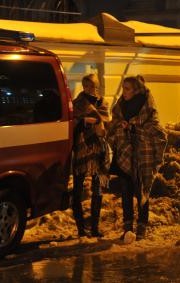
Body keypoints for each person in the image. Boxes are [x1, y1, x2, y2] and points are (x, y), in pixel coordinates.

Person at [107, 75, 167, 241]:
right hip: (125, 153)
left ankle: (142, 227)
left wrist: (134, 125)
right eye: (123, 88)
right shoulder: (120, 106)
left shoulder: (147, 106)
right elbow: (114, 124)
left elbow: (155, 128)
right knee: (125, 191)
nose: (123, 92)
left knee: (142, 191)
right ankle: (127, 229)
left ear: (136, 90)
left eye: (127, 89)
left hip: (142, 155)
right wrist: (121, 125)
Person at [72, 74, 111, 237]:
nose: (89, 88)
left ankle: (95, 227)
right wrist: (83, 121)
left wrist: (93, 120)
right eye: (86, 85)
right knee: (77, 189)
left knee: (98, 189)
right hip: (81, 147)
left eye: (92, 85)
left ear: (97, 85)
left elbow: (106, 119)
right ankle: (80, 228)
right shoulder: (77, 103)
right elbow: (72, 121)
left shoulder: (103, 103)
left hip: (98, 147)